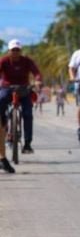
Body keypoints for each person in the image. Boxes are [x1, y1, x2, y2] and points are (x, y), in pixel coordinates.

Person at [0, 39, 43, 169]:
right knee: (0, 101)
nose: (15, 52)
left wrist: (37, 81)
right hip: (7, 88)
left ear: (21, 51)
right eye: (13, 50)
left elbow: (36, 73)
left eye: (17, 50)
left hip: (24, 89)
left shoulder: (27, 61)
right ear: (9, 51)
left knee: (28, 114)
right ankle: (3, 123)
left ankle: (28, 143)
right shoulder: (3, 61)